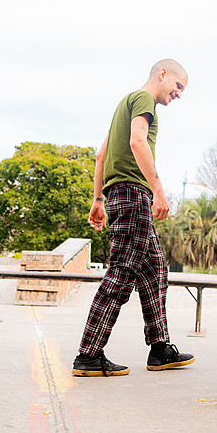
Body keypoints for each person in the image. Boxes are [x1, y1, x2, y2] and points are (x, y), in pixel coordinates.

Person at [73, 59, 196, 377]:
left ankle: (160, 349)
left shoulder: (123, 105)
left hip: (119, 195)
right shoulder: (144, 100)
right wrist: (158, 189)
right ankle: (89, 354)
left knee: (155, 270)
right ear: (162, 74)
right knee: (121, 274)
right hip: (133, 195)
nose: (179, 94)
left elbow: (101, 155)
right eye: (178, 86)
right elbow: (137, 142)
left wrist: (98, 199)